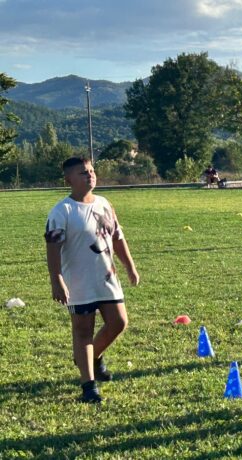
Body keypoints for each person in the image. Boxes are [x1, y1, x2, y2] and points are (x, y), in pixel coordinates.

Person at [45, 157, 140, 404]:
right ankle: (88, 386)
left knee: (119, 322)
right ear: (69, 179)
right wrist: (57, 280)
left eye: (91, 171)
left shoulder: (105, 203)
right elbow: (53, 249)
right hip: (79, 282)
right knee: (83, 331)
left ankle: (91, 357)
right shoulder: (62, 211)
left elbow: (117, 237)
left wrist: (129, 267)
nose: (90, 175)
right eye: (83, 172)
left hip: (107, 278)